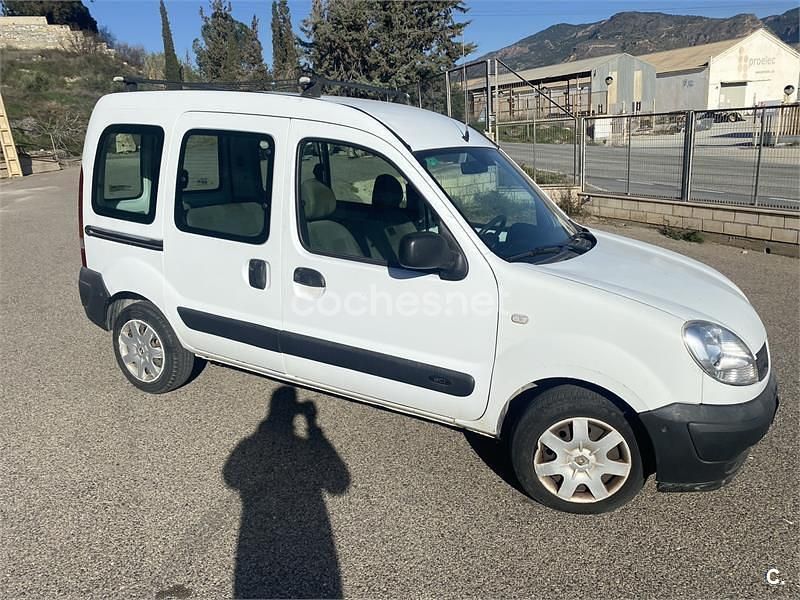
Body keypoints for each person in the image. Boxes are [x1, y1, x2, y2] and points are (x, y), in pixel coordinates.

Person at [223, 386, 350, 598]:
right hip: (308, 532)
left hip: (257, 530)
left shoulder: (249, 444)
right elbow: (339, 484)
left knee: (257, 583)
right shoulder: (305, 447)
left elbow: (230, 477)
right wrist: (313, 427)